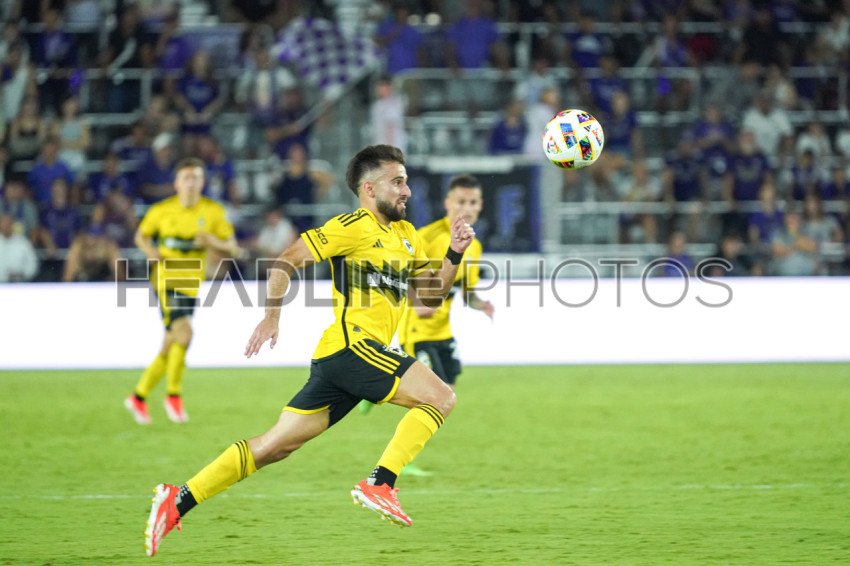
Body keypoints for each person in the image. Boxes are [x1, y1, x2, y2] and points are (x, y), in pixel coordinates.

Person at [142, 145, 475, 556]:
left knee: (274, 446)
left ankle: (177, 500)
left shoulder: (407, 235)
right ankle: (380, 483)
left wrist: (454, 252)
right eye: (397, 181)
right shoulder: (351, 226)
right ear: (369, 189)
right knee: (440, 397)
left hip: (342, 358)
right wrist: (271, 317)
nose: (406, 190)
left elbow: (430, 297)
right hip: (354, 347)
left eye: (405, 181)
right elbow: (287, 259)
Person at [359, 174, 494, 474]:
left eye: (473, 202)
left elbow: (465, 290)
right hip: (416, 330)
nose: (467, 208)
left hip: (443, 331)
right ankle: (401, 461)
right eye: (461, 201)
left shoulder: (473, 245)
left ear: (481, 205)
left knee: (447, 394)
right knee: (428, 397)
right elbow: (402, 275)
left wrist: (480, 304)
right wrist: (417, 303)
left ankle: (374, 392)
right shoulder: (428, 237)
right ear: (447, 203)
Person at [124, 158, 238, 426]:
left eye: (195, 178)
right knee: (185, 334)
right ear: (176, 183)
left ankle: (139, 396)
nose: (190, 183)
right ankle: (173, 395)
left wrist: (213, 241)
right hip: (166, 280)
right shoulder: (162, 210)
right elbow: (141, 235)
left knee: (172, 340)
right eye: (186, 177)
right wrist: (150, 252)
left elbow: (233, 247)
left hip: (192, 283)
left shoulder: (212, 211)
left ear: (202, 182)